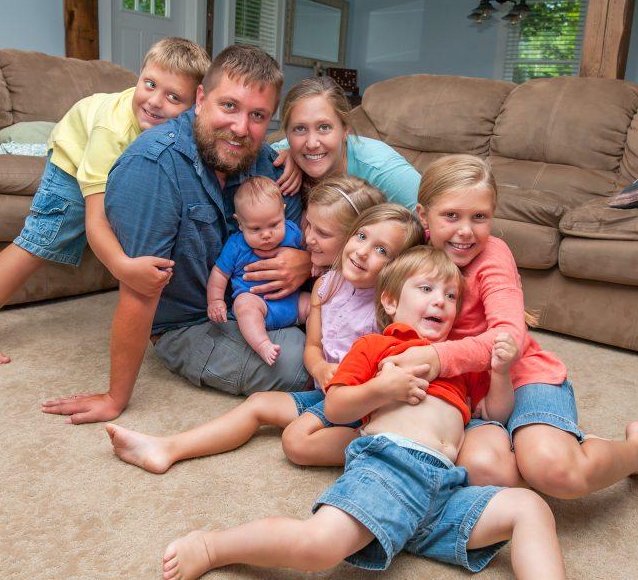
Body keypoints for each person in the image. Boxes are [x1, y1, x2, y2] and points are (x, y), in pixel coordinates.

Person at [160, 247, 566, 580]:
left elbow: (495, 414)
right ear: (390, 301)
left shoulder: (457, 361)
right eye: (426, 289)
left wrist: (498, 371)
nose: (441, 301)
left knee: (529, 508)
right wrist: (381, 390)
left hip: (445, 490)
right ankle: (213, 546)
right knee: (318, 547)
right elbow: (337, 407)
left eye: (450, 296)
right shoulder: (376, 346)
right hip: (389, 471)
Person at [40, 45, 310, 424]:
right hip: (191, 324)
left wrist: (306, 262)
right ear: (200, 99)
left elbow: (310, 244)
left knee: (345, 328)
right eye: (229, 106)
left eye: (258, 116)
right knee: (301, 363)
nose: (240, 128)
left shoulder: (269, 165)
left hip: (270, 303)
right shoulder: (151, 167)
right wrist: (115, 398)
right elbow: (139, 288)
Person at [382, 154, 638, 496]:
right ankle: (552, 445)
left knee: (556, 472)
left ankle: (636, 453)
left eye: (479, 217)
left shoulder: (492, 254)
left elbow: (508, 334)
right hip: (463, 396)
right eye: (451, 215)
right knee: (482, 473)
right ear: (424, 215)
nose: (465, 231)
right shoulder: (414, 250)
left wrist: (438, 357)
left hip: (522, 376)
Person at [0, 37, 210, 367]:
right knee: (40, 239)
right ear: (139, 76)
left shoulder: (193, 128)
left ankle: (162, 323)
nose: (155, 102)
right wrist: (122, 267)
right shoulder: (110, 130)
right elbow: (95, 220)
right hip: (76, 155)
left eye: (173, 97)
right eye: (149, 84)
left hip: (131, 167)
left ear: (195, 103)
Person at [105, 200, 423, 472]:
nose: (363, 252)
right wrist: (319, 369)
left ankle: (383, 443)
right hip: (327, 393)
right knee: (258, 406)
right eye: (361, 236)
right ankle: (168, 448)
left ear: (400, 266)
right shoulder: (327, 287)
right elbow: (312, 346)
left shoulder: (391, 306)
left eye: (381, 250)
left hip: (367, 406)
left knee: (296, 443)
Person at [271, 76, 421, 209]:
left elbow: (431, 219)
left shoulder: (382, 169)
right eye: (300, 129)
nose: (311, 144)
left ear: (345, 130)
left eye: (324, 127)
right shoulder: (282, 154)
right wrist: (283, 157)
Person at [206, 176, 310, 366]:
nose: (266, 234)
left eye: (274, 224)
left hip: (293, 303)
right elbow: (220, 273)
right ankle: (262, 344)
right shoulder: (236, 245)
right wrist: (215, 301)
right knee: (243, 305)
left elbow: (310, 251)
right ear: (239, 224)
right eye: (255, 229)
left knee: (317, 303)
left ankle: (318, 343)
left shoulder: (293, 233)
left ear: (283, 213)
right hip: (259, 304)